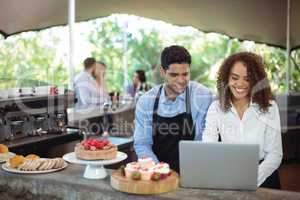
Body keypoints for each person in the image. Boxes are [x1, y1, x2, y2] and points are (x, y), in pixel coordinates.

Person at [202, 52, 282, 189]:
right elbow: (208, 147)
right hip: (229, 175)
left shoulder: (270, 107)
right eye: (235, 78)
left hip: (264, 176)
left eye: (247, 79)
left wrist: (251, 180)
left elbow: (275, 154)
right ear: (226, 79)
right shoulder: (216, 108)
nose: (240, 84)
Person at [133, 45, 212, 172]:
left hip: (193, 170)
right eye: (174, 75)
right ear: (163, 72)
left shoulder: (202, 96)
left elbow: (202, 140)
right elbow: (142, 144)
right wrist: (161, 172)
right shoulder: (146, 101)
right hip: (157, 172)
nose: (181, 80)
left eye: (185, 74)